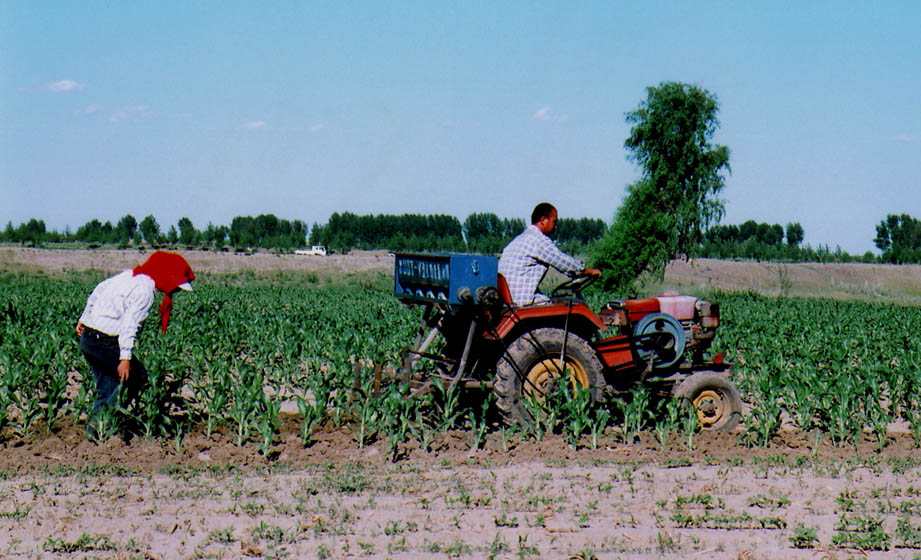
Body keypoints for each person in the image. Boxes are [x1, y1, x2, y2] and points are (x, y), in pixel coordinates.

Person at [75, 251, 195, 440]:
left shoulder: (128, 276)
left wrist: (84, 318)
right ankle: (105, 423)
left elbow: (98, 290)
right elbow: (129, 325)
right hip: (104, 340)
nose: (176, 291)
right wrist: (125, 358)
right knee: (136, 376)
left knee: (107, 385)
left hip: (89, 337)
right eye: (176, 286)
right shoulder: (145, 291)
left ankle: (97, 431)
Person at [498, 202, 600, 305]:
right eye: (554, 222)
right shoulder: (537, 240)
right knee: (573, 308)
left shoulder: (518, 240)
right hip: (523, 301)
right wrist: (587, 271)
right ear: (543, 220)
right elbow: (563, 262)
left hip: (508, 301)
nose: (555, 226)